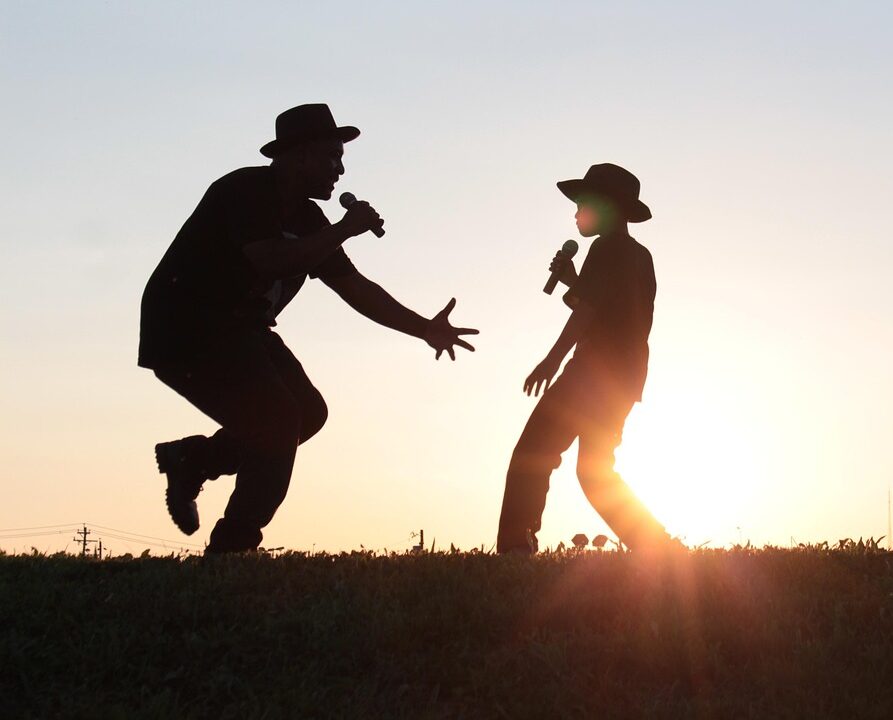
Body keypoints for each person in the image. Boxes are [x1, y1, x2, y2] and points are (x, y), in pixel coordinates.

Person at [139, 103, 477, 553]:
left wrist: (425, 329)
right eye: (331, 157)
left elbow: (355, 287)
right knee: (278, 421)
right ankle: (232, 548)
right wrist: (343, 230)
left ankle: (194, 459)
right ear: (298, 156)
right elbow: (272, 257)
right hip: (187, 330)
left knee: (307, 414)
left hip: (242, 331)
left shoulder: (309, 220)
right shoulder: (244, 190)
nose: (340, 170)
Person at [497, 163, 674, 554]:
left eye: (583, 203)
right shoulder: (636, 255)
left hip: (592, 375)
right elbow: (606, 308)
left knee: (532, 454)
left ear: (608, 207)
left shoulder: (607, 248)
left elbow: (588, 313)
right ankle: (657, 546)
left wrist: (551, 361)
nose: (576, 212)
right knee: (594, 471)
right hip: (624, 379)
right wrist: (572, 280)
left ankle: (514, 548)